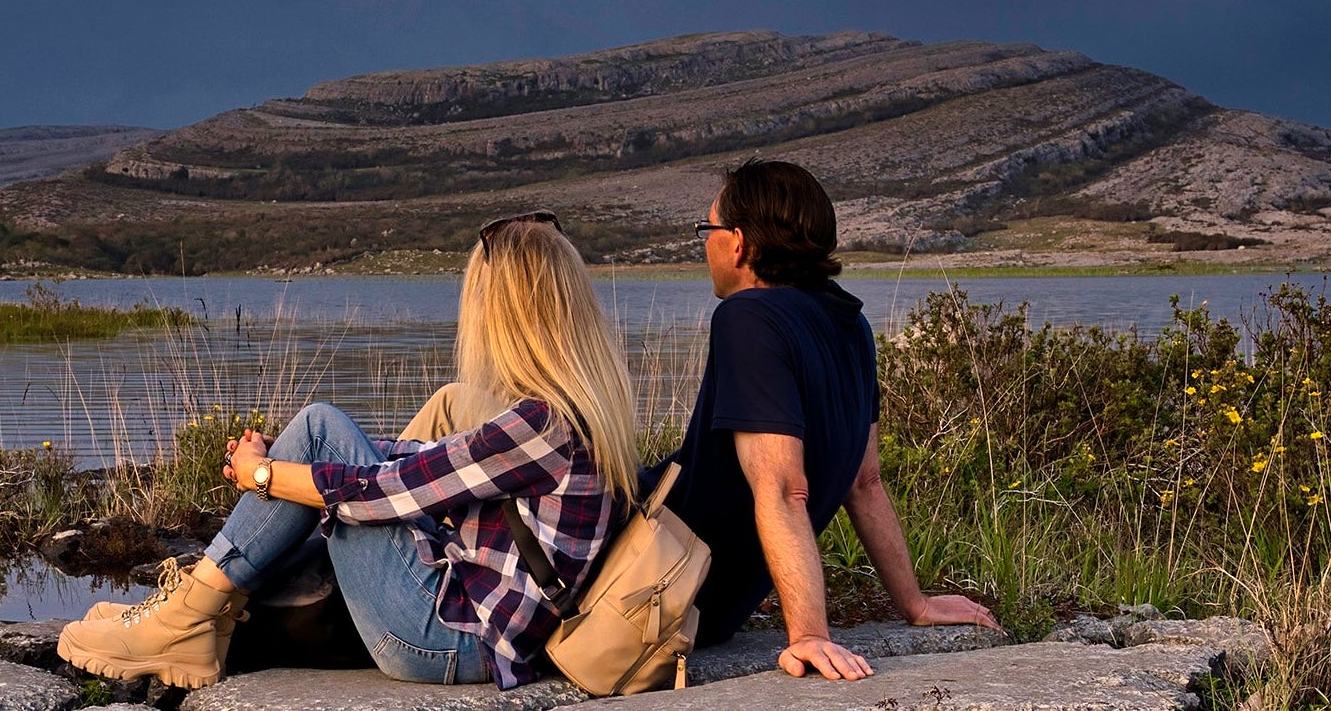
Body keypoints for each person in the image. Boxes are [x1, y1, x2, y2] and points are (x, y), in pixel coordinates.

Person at [57, 212, 638, 690]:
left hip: (446, 641)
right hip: (473, 630)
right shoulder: (578, 412)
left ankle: (185, 618)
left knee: (318, 427)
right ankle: (192, 611)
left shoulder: (540, 424)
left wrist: (265, 475)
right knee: (322, 446)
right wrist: (287, 470)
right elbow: (429, 459)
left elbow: (382, 495)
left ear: (508, 314)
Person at [661, 158, 1000, 681]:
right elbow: (865, 483)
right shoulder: (851, 325)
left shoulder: (747, 317)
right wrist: (914, 602)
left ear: (740, 242)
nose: (704, 244)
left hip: (659, 588)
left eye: (709, 229)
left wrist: (810, 636)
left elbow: (781, 486)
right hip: (712, 607)